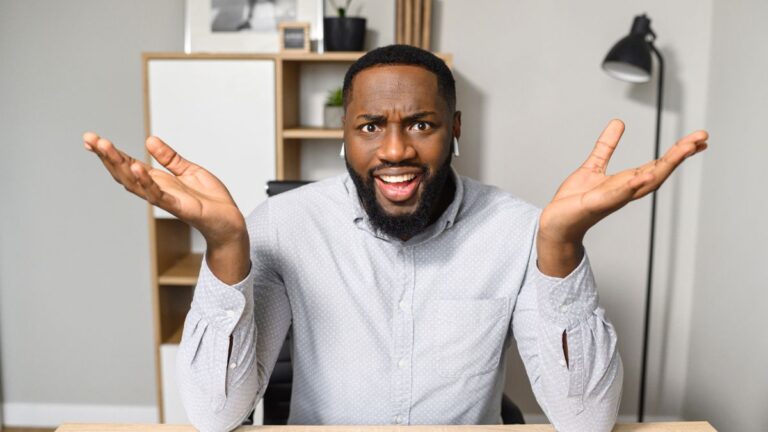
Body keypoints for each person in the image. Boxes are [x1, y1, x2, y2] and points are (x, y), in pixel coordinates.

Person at [83, 45, 708, 432]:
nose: (395, 150)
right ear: (344, 136)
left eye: (421, 124)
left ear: (454, 128)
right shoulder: (281, 226)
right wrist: (225, 252)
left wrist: (563, 248)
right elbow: (216, 417)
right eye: (370, 126)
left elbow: (585, 422)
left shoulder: (522, 231)